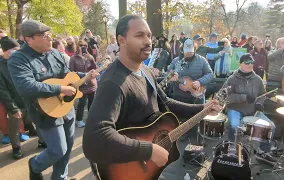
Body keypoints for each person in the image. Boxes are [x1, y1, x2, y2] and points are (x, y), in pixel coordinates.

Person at [82, 15, 222, 177]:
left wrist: (201, 108)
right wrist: (148, 150)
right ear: (122, 41)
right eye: (139, 35)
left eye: (149, 35)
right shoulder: (113, 82)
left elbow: (166, 102)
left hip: (145, 169)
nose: (148, 41)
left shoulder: (145, 71)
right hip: (123, 170)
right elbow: (95, 138)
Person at [8, 20, 98, 180]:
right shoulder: (18, 59)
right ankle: (35, 165)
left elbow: (67, 75)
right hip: (45, 111)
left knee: (67, 149)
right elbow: (25, 86)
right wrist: (60, 89)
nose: (49, 38)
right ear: (29, 39)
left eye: (48, 34)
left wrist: (85, 76)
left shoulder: (55, 54)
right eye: (43, 35)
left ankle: (59, 178)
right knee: (57, 150)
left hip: (66, 107)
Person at [224, 53, 277, 165]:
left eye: (251, 62)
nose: (250, 64)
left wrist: (259, 103)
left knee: (271, 126)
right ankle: (232, 148)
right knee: (234, 125)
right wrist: (244, 97)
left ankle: (263, 152)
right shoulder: (232, 79)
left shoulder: (258, 79)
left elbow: (262, 95)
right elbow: (226, 96)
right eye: (247, 62)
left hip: (253, 111)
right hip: (235, 109)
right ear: (241, 64)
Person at [0, 37, 30, 159]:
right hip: (14, 103)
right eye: (15, 50)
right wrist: (12, 108)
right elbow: (2, 90)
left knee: (37, 121)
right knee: (14, 127)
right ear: (7, 51)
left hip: (28, 99)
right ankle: (16, 148)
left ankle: (42, 141)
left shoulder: (21, 61)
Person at [69, 40, 98, 128]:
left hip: (91, 84)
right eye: (81, 45)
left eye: (85, 45)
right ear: (78, 46)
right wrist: (83, 75)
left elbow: (95, 68)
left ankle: (91, 118)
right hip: (81, 84)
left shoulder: (90, 57)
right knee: (82, 103)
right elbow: (71, 72)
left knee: (92, 103)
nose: (83, 47)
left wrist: (91, 59)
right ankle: (79, 119)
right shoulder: (73, 58)